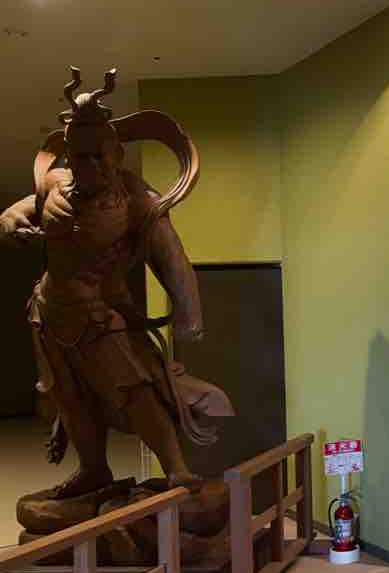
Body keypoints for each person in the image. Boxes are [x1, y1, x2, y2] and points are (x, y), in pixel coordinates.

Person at [0, 68, 232, 498]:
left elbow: (172, 258)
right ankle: (93, 469)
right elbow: (16, 212)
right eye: (78, 156)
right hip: (47, 311)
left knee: (134, 390)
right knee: (71, 398)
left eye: (97, 156)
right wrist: (11, 222)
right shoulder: (55, 185)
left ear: (117, 154)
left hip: (99, 315)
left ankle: (176, 467)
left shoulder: (136, 202)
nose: (86, 166)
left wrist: (189, 314)